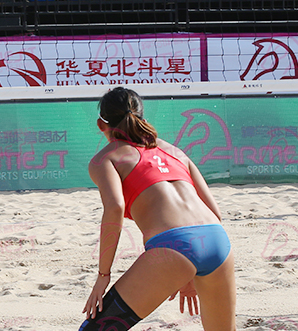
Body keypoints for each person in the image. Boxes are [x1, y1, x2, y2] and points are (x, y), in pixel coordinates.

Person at [79, 87, 235, 331]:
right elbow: (215, 212)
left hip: (174, 246)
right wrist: (190, 271)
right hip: (217, 241)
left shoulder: (106, 158)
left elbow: (115, 207)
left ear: (101, 124)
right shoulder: (176, 151)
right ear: (142, 118)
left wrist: (103, 275)